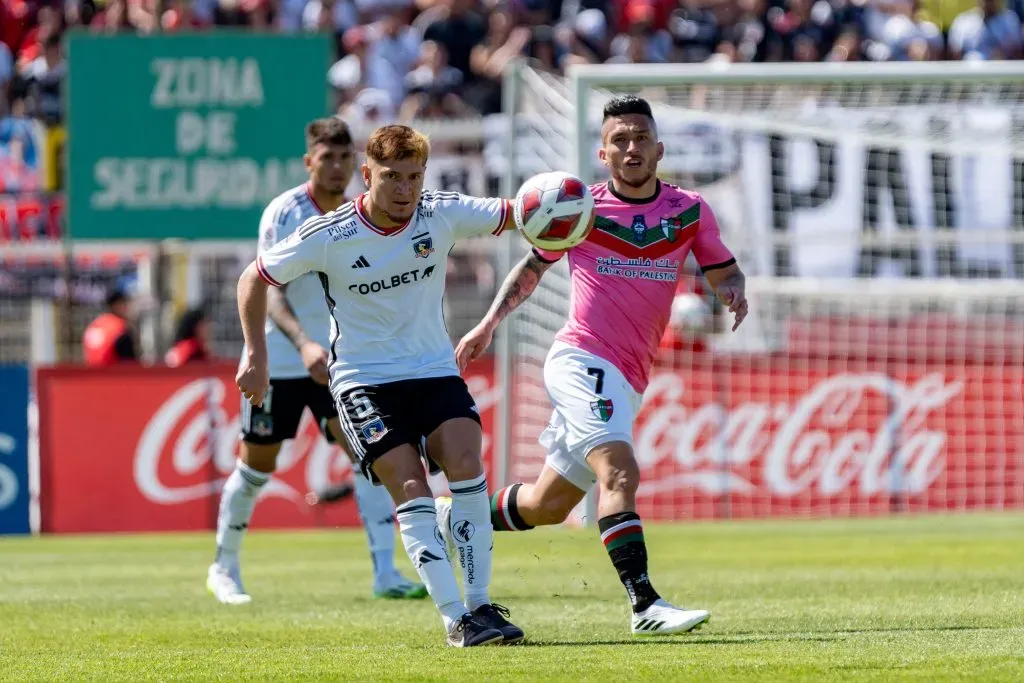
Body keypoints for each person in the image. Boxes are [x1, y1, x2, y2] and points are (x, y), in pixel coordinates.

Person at [444, 95, 749, 636]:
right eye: (620, 140)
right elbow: (531, 270)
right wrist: (489, 323)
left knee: (545, 504)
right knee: (620, 471)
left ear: (659, 148)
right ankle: (644, 604)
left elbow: (722, 267)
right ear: (604, 154)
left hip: (629, 376)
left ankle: (453, 515)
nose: (631, 148)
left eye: (640, 138)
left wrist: (732, 291)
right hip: (581, 358)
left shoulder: (689, 210)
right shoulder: (579, 210)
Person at [235, 124, 523, 648]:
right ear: (366, 175)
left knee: (466, 464)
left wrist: (568, 207)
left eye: (414, 177)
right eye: (391, 177)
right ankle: (456, 618)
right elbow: (254, 277)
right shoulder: (331, 233)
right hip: (364, 382)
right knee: (410, 486)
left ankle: (482, 605)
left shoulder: (440, 211)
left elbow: (518, 211)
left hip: (433, 370)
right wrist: (255, 353)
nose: (404, 189)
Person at [207, 117, 427, 606]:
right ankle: (224, 566)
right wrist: (305, 344)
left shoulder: (360, 212)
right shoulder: (286, 213)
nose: (336, 167)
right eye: (326, 158)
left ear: (357, 162)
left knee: (370, 461)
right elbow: (267, 287)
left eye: (345, 157)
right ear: (310, 162)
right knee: (258, 465)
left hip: (341, 365)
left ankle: (385, 572)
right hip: (285, 360)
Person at [82, 277, 138, 367]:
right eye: (125, 304)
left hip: (91, 375)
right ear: (117, 305)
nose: (128, 308)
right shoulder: (119, 327)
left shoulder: (94, 325)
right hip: (113, 376)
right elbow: (129, 362)